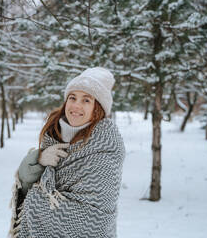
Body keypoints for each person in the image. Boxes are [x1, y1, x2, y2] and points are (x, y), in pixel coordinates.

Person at [9, 67, 125, 238]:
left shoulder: (106, 147)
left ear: (97, 108)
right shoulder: (52, 135)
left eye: (86, 100)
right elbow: (24, 188)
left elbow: (96, 220)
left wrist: (36, 201)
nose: (76, 105)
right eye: (73, 97)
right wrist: (38, 160)